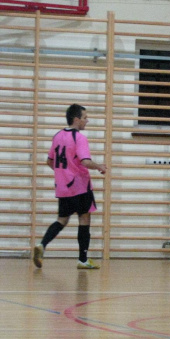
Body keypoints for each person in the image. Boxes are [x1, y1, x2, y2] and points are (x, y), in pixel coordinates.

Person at [32, 104, 107, 269]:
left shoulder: (57, 136)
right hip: (80, 185)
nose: (87, 120)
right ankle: (83, 259)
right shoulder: (80, 138)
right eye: (85, 117)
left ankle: (42, 244)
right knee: (84, 218)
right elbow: (85, 161)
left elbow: (49, 161)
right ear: (76, 119)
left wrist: (63, 173)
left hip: (63, 187)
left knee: (62, 220)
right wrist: (99, 166)